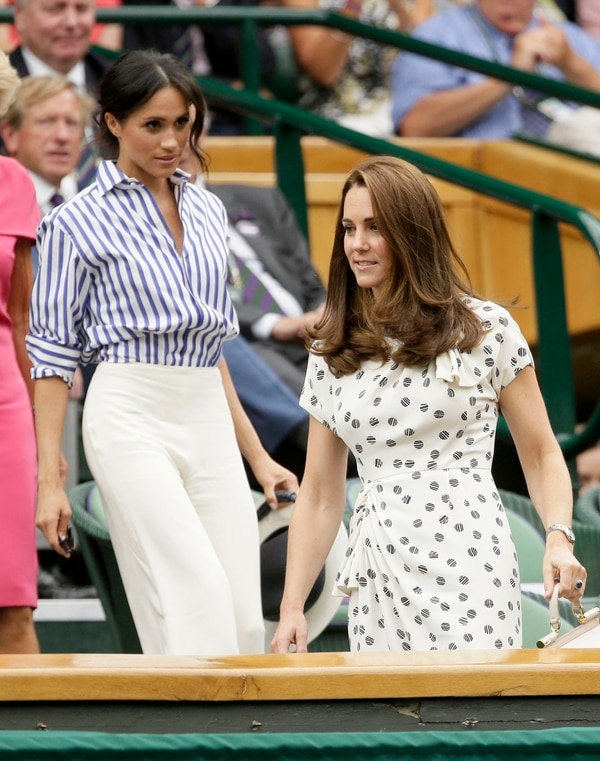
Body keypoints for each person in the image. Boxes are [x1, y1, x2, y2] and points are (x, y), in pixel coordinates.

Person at [27, 49, 298, 656]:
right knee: (191, 597)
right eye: (153, 124)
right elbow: (49, 355)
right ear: (113, 123)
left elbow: (211, 344)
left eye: (183, 123)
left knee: (242, 620)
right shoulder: (73, 222)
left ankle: (234, 751)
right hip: (127, 410)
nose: (173, 140)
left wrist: (257, 455)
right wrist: (50, 478)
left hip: (204, 409)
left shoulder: (207, 208)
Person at [270, 155, 587, 654]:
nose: (357, 243)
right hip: (378, 567)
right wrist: (292, 609)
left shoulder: (488, 329)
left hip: (471, 556)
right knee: (391, 724)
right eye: (349, 228)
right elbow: (319, 496)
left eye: (375, 227)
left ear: (414, 232)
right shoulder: (332, 347)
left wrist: (558, 538)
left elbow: (542, 453)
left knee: (475, 717)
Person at [0, 74, 98, 599]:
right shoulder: (13, 193)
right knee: (59, 372)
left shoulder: (98, 203)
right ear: (11, 134)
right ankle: (61, 550)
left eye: (72, 124)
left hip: (98, 354)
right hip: (43, 361)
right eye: (47, 122)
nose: (63, 136)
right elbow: (23, 310)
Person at [391, 0, 600, 140]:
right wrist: (508, 77)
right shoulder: (437, 35)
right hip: (480, 180)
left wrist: (570, 63)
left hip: (571, 173)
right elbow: (415, 127)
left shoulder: (568, 36)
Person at [0, 50, 41, 653]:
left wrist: (47, 440)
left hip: (4, 407)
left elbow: (25, 320)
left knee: (12, 608)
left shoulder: (13, 181)